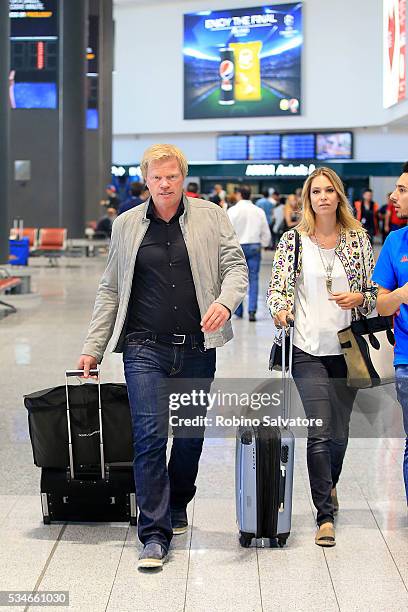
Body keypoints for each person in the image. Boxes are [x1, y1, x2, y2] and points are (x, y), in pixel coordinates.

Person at [77, 144, 248, 570]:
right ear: (146, 181)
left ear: (183, 177)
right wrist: (92, 347)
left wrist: (225, 303)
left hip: (196, 347)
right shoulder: (127, 225)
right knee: (150, 436)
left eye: (172, 176)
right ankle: (154, 534)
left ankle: (176, 503)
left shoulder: (210, 216)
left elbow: (236, 267)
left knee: (189, 437)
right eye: (158, 177)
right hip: (144, 347)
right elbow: (111, 289)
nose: (165, 183)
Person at [267, 167, 377, 546]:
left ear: (339, 196)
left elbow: (372, 292)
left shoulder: (358, 240)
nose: (323, 197)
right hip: (306, 348)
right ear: (307, 198)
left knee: (340, 435)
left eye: (329, 190)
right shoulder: (292, 242)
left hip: (347, 351)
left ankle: (329, 488)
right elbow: (277, 290)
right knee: (320, 430)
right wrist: (281, 312)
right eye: (316, 192)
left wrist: (360, 299)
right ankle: (324, 515)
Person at [372, 161, 408, 504]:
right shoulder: (396, 243)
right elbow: (380, 305)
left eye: (402, 190)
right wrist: (401, 294)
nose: (394, 196)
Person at [228, 184, 270, 321]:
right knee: (253, 279)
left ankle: (238, 311)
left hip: (236, 247)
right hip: (253, 246)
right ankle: (252, 311)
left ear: (239, 194)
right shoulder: (258, 211)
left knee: (236, 279)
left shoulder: (232, 211)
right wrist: (263, 244)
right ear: (250, 195)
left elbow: (226, 232)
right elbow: (265, 232)